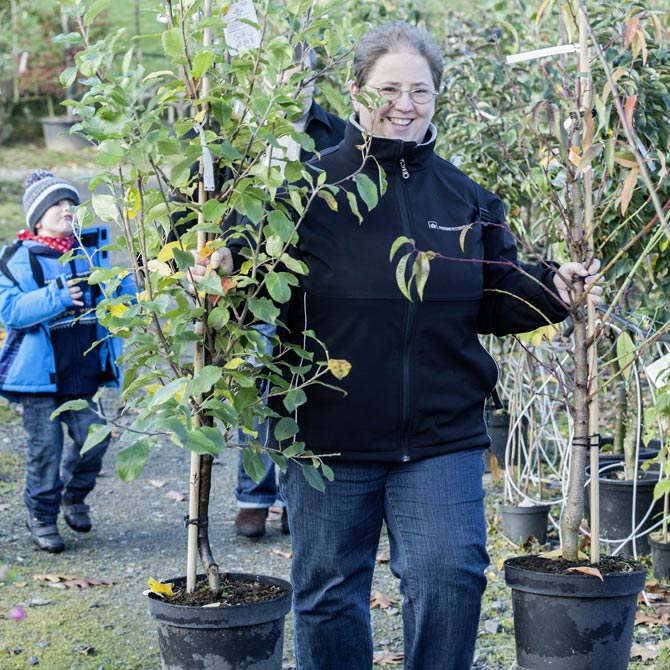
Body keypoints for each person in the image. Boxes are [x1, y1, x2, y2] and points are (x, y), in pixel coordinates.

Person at [191, 22, 602, 670]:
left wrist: (555, 289)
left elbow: (496, 295)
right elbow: (246, 287)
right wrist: (216, 274)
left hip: (440, 435)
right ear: (357, 93)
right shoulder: (306, 192)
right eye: (389, 89)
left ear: (439, 97)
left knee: (453, 577)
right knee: (328, 594)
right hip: (325, 434)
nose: (404, 104)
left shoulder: (467, 199)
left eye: (420, 91)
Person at [231, 45, 346, 538]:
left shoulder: (337, 133)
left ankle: (290, 497)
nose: (295, 85)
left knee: (302, 389)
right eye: (285, 74)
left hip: (313, 283)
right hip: (255, 282)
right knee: (255, 391)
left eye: (304, 76)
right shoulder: (244, 134)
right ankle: (253, 493)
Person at [0, 170, 132, 554]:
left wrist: (143, 287)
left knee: (96, 437)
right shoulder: (17, 259)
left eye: (72, 203)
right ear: (37, 217)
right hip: (39, 377)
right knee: (46, 449)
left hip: (81, 371)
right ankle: (41, 515)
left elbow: (124, 291)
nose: (67, 209)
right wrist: (56, 296)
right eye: (56, 204)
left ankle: (73, 495)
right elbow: (11, 312)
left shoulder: (90, 253)